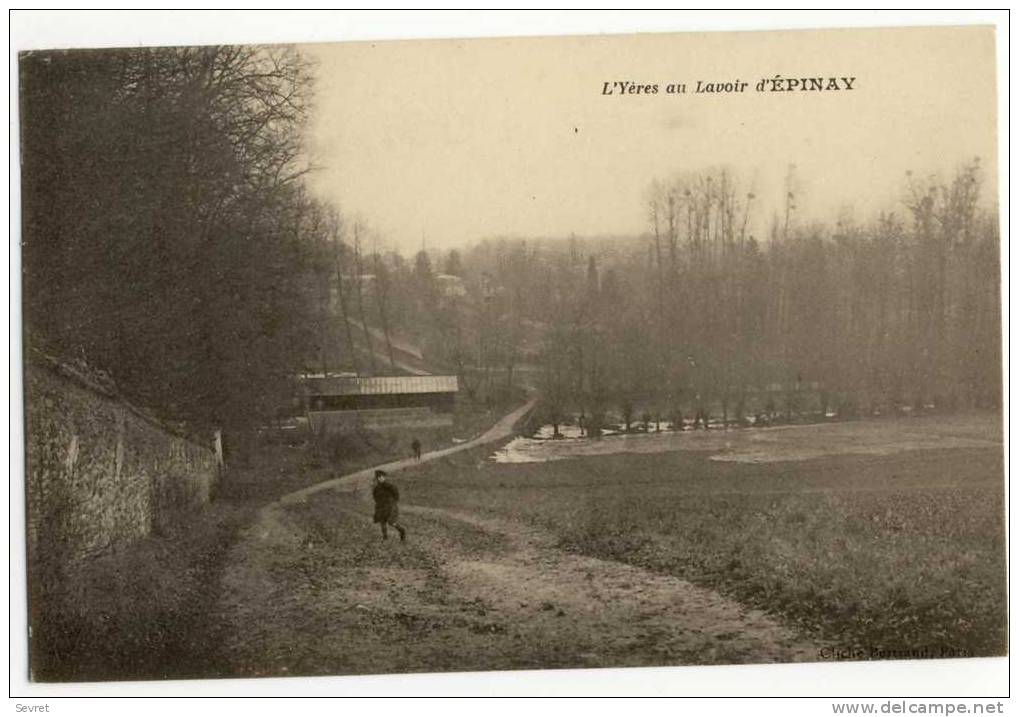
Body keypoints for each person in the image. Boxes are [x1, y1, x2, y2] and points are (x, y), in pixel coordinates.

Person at [372, 469, 407, 541]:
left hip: (390, 507)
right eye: (378, 477)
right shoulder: (376, 488)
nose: (380, 479)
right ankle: (385, 538)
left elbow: (396, 495)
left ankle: (402, 530)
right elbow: (375, 497)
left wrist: (393, 503)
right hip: (381, 507)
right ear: (377, 479)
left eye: (381, 477)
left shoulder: (390, 486)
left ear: (384, 477)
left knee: (391, 522)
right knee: (382, 522)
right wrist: (379, 504)